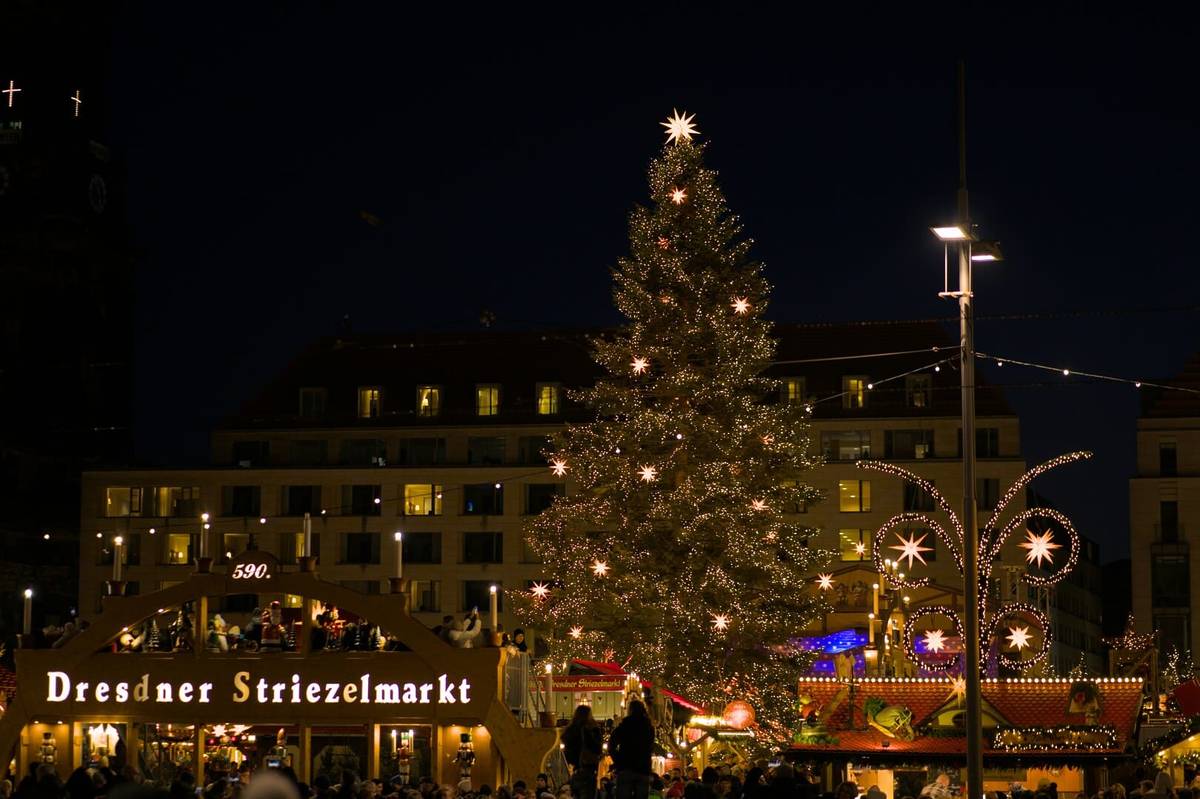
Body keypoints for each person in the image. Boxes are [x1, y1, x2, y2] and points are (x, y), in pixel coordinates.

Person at [608, 702, 655, 799]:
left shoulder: (624, 726)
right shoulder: (648, 727)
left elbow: (611, 745)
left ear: (629, 711)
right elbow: (650, 747)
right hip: (643, 768)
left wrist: (618, 759)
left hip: (626, 767)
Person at [561, 706, 603, 799]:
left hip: (575, 770)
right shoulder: (592, 729)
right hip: (588, 768)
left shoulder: (571, 730)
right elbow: (597, 749)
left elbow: (566, 749)